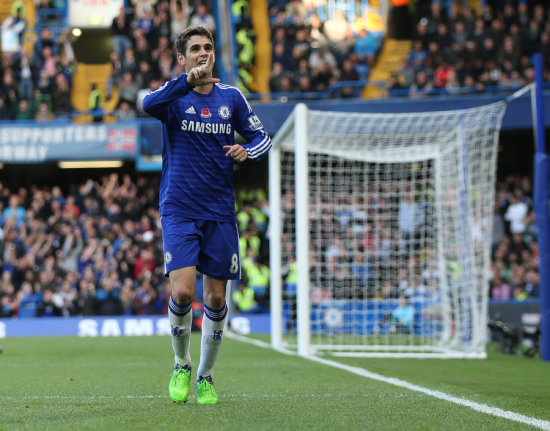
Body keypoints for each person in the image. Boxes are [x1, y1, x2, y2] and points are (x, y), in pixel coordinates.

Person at [142, 26, 271, 405]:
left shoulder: (231, 98)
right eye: (195, 49)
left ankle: (205, 376)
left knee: (215, 300)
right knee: (182, 290)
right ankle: (181, 363)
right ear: (182, 57)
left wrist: (249, 153)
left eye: (208, 48)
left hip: (219, 211)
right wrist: (185, 82)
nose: (203, 53)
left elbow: (262, 137)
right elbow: (147, 104)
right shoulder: (173, 98)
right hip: (179, 207)